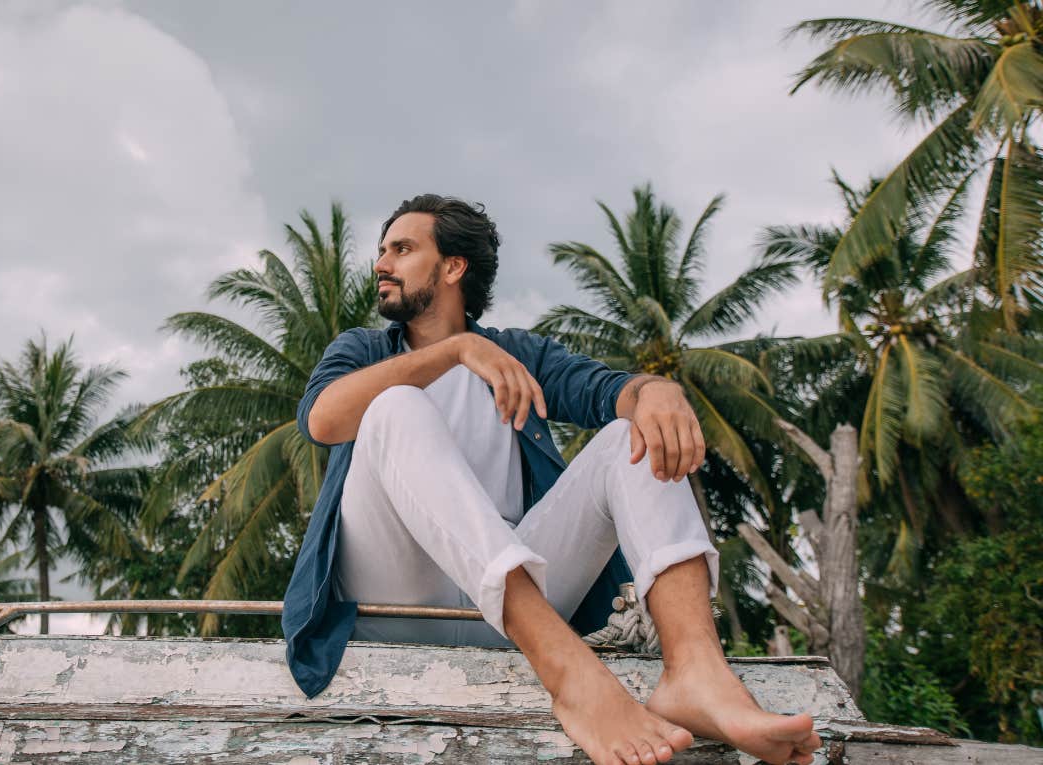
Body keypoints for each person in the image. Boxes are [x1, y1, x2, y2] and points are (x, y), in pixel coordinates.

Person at [280, 194, 822, 765]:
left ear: (452, 267)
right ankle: (570, 674)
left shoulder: (520, 355)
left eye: (403, 248)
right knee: (394, 406)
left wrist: (653, 391)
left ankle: (696, 673)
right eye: (383, 249)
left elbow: (606, 391)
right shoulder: (362, 350)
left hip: (509, 611)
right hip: (396, 601)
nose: (381, 263)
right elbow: (324, 419)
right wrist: (460, 350)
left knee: (625, 438)